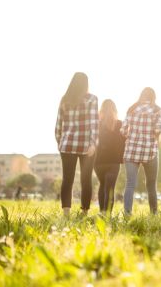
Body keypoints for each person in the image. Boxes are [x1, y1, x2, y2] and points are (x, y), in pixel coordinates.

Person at [55, 72, 99, 216]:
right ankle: (84, 212)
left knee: (67, 179)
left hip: (67, 145)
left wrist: (60, 142)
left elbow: (58, 125)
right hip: (86, 146)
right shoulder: (91, 99)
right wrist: (93, 143)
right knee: (86, 179)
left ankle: (66, 212)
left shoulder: (64, 99)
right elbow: (94, 123)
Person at [121, 87, 161, 215]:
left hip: (131, 150)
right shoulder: (157, 110)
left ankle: (127, 213)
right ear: (153, 97)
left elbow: (123, 130)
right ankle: (154, 213)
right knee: (151, 185)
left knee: (130, 184)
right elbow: (157, 130)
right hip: (149, 151)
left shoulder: (132, 109)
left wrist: (132, 136)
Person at [95, 99, 125, 216]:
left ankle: (101, 212)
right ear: (115, 110)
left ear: (101, 110)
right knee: (110, 188)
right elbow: (124, 140)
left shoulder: (97, 124)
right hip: (113, 161)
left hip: (98, 162)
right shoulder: (119, 124)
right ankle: (107, 215)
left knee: (102, 185)